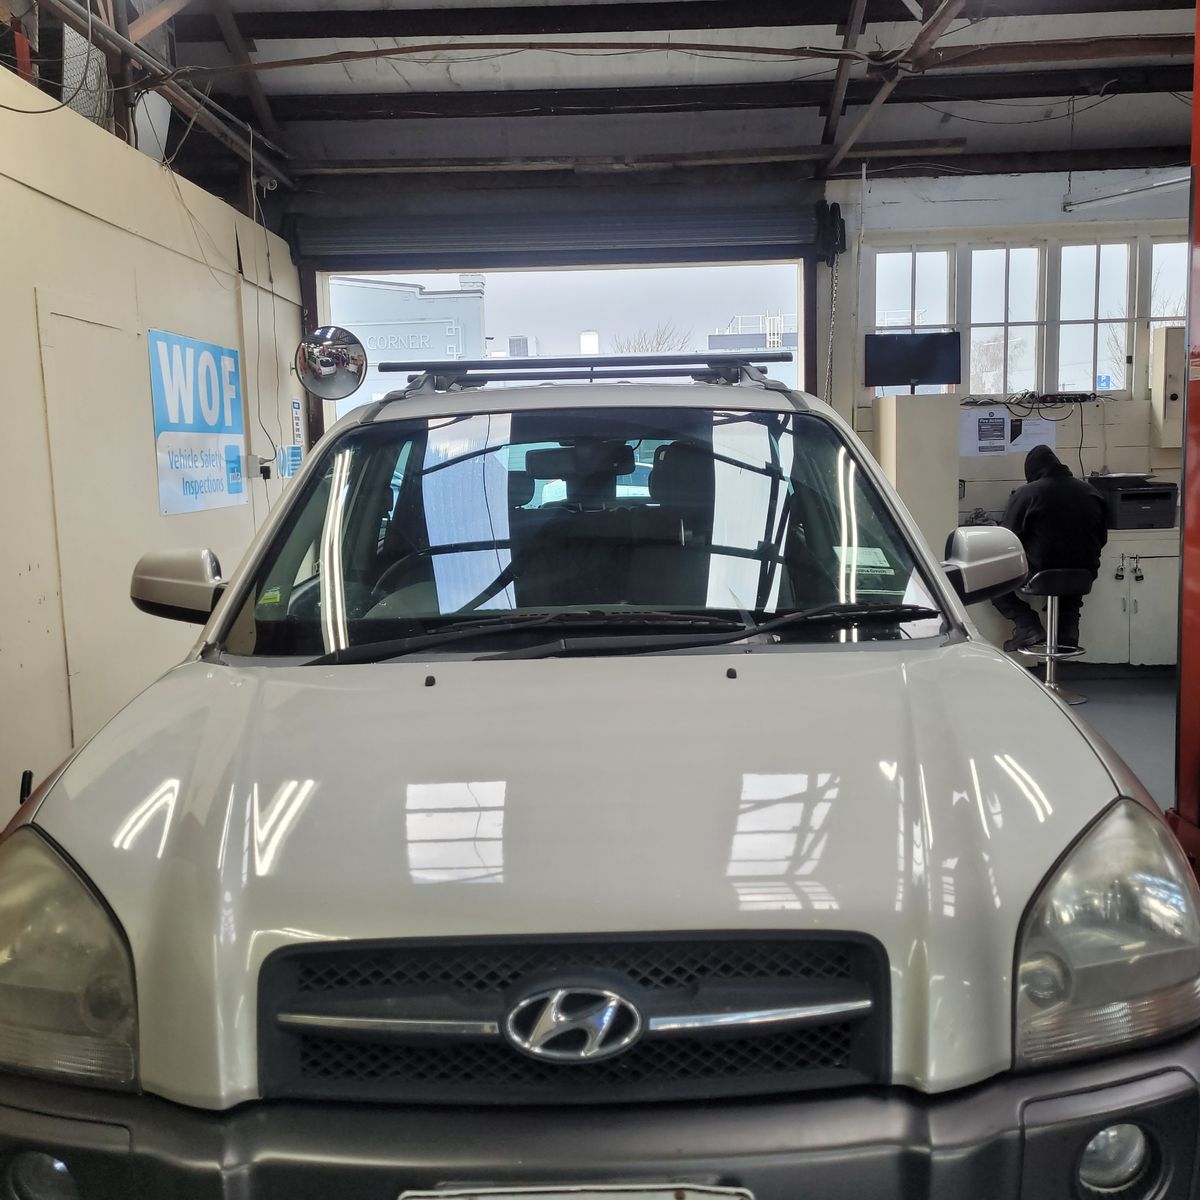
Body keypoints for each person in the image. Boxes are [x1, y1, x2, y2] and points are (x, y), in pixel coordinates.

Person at [992, 444, 1108, 652]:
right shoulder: (1091, 492)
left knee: (990, 581)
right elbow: (1102, 538)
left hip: (1038, 575)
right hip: (1083, 575)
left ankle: (1027, 625)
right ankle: (1067, 631)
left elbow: (1007, 538)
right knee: (1070, 587)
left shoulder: (1027, 493)